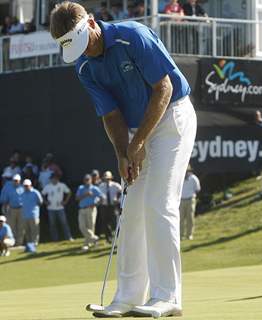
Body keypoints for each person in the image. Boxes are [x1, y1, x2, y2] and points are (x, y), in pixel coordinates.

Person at [50, 2, 196, 317]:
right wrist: (122, 153)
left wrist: (138, 142)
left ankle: (167, 296)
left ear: (91, 22)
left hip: (172, 117)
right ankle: (128, 297)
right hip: (133, 128)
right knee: (131, 211)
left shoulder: (133, 35)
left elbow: (164, 89)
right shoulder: (84, 66)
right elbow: (111, 115)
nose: (83, 52)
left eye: (82, 42)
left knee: (158, 203)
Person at [76, 174, 104, 251]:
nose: (87, 181)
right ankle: (95, 238)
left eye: (88, 179)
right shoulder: (81, 188)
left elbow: (102, 198)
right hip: (82, 209)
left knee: (91, 227)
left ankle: (87, 244)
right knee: (82, 226)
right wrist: (85, 194)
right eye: (85, 179)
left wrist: (95, 204)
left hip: (91, 209)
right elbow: (77, 198)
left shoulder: (95, 188)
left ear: (91, 180)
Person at [41, 173, 73, 241]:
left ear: (57, 179)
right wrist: (45, 202)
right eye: (51, 178)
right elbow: (42, 194)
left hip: (60, 208)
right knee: (52, 224)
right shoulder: (48, 186)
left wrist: (65, 201)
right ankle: (54, 239)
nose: (52, 180)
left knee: (64, 223)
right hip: (51, 208)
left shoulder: (62, 185)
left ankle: (68, 237)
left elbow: (69, 192)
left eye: (53, 178)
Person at [98, 171, 122, 243]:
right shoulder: (101, 186)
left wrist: (118, 200)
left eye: (108, 178)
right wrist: (100, 200)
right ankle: (108, 238)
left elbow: (122, 193)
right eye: (106, 178)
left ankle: (119, 236)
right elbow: (99, 195)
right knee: (105, 223)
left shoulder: (116, 185)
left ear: (111, 178)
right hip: (104, 206)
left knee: (115, 222)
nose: (107, 180)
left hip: (113, 206)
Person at [0, 174, 24, 245]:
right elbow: (4, 200)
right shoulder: (8, 188)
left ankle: (19, 243)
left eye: (17, 181)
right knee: (11, 226)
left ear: (20, 181)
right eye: (14, 181)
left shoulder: (22, 187)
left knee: (21, 226)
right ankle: (13, 242)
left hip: (21, 209)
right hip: (11, 209)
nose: (15, 182)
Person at [180, 165, 200, 240]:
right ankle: (181, 235)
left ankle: (189, 235)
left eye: (187, 171)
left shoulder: (193, 178)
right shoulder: (179, 178)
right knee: (180, 219)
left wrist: (191, 194)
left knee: (190, 218)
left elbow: (197, 189)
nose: (186, 172)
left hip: (190, 200)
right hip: (181, 200)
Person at [21, 179, 43, 247]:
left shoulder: (35, 192)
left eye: (27, 186)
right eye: (24, 186)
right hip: (25, 215)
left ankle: (35, 243)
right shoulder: (23, 194)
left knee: (34, 230)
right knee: (27, 231)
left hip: (34, 215)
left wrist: (35, 209)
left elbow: (40, 202)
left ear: (30, 185)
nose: (26, 187)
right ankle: (29, 244)